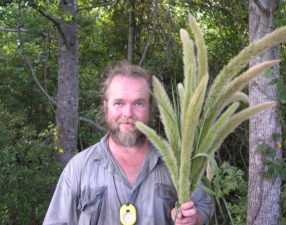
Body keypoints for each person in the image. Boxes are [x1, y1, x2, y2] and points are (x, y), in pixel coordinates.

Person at [43, 61, 214, 225]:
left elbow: (204, 207)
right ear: (106, 107)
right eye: (119, 103)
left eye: (138, 103)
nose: (128, 113)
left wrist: (193, 218)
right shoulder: (78, 168)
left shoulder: (178, 163)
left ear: (151, 107)